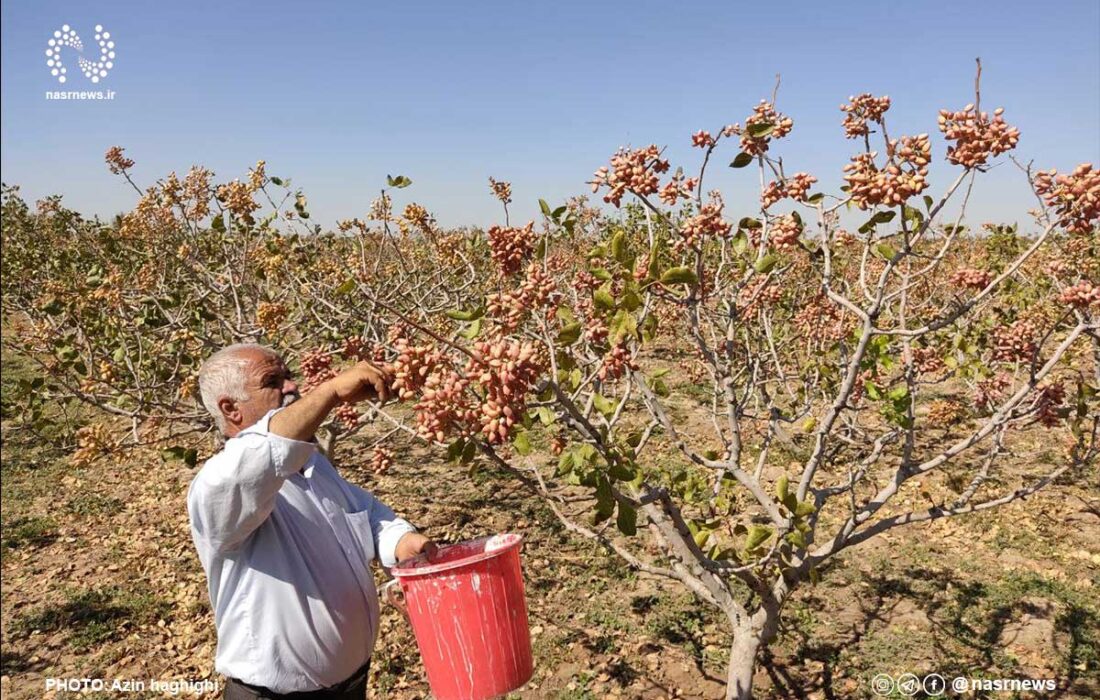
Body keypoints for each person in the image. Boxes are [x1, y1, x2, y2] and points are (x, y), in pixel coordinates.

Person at [187, 343, 435, 699]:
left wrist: (400, 542)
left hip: (350, 684)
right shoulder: (218, 488)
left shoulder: (312, 466)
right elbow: (263, 452)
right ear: (231, 409)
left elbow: (363, 513)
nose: (291, 386)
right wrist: (331, 390)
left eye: (289, 376)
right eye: (273, 381)